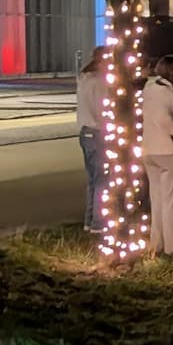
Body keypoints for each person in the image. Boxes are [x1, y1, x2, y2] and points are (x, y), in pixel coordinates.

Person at [141, 54, 173, 256]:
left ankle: (157, 243)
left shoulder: (150, 89)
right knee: (170, 201)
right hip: (168, 150)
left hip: (150, 149)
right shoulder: (167, 94)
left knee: (158, 199)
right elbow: (164, 119)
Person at [74, 47, 108, 231]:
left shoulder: (84, 78)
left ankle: (89, 220)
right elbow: (104, 110)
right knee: (103, 179)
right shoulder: (101, 82)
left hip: (85, 132)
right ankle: (98, 222)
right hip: (98, 131)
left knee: (93, 179)